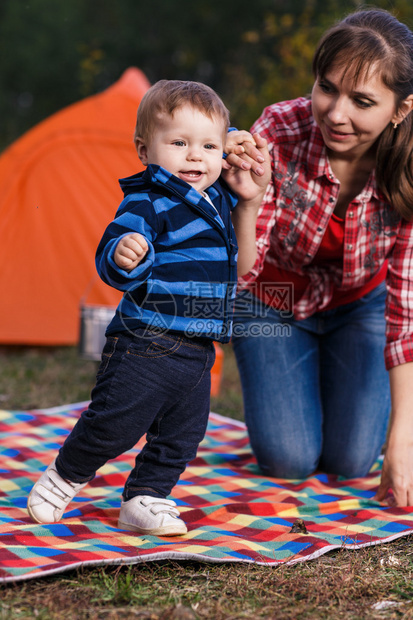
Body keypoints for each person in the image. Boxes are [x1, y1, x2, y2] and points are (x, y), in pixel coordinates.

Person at [27, 80, 270, 535]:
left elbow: (217, 140)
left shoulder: (217, 195)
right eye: (178, 144)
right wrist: (124, 254)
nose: (194, 156)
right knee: (115, 422)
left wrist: (224, 140)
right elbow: (111, 254)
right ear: (144, 149)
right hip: (147, 342)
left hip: (198, 350)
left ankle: (146, 497)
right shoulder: (149, 200)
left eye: (207, 147)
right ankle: (65, 476)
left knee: (182, 435)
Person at [225, 8, 413, 507]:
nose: (335, 113)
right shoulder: (280, 131)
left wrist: (402, 440)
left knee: (353, 462)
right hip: (272, 300)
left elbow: (407, 313)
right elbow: (243, 273)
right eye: (327, 87)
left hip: (362, 306)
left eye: (363, 101)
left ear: (400, 108)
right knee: (290, 460)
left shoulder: (410, 166)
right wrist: (246, 202)